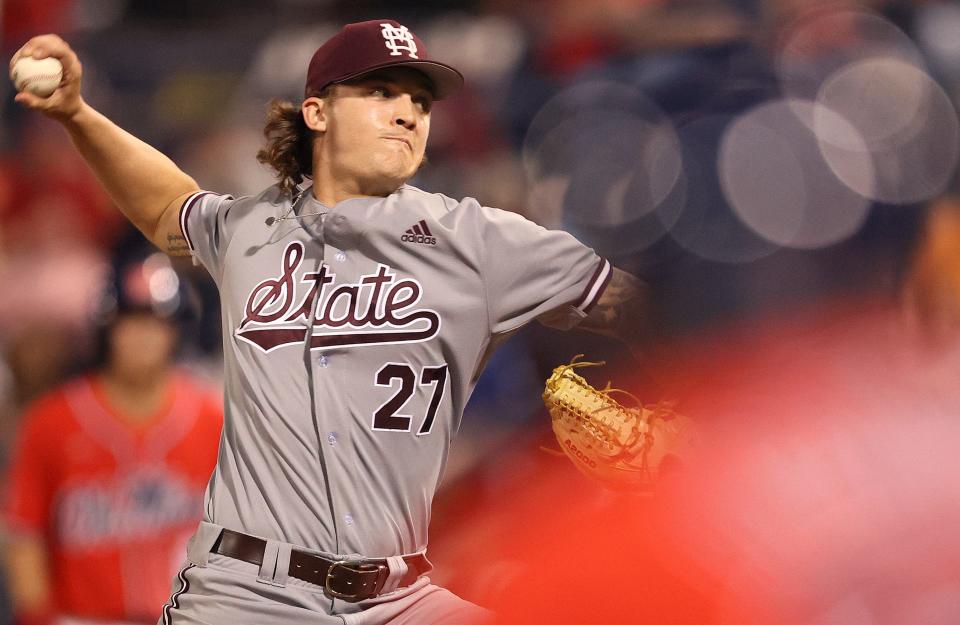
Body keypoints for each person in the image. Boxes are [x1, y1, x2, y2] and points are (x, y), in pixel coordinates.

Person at [10, 19, 647, 624]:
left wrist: (700, 401)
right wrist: (76, 114)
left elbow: (645, 306)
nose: (408, 112)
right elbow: (167, 207)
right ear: (317, 112)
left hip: (400, 596)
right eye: (380, 92)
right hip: (245, 592)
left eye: (420, 102)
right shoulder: (249, 229)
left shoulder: (482, 243)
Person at [1, 235, 223, 625]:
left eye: (155, 323)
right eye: (129, 323)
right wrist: (37, 616)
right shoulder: (52, 420)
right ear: (107, 330)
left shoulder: (211, 416)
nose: (142, 337)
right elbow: (24, 534)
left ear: (176, 331)